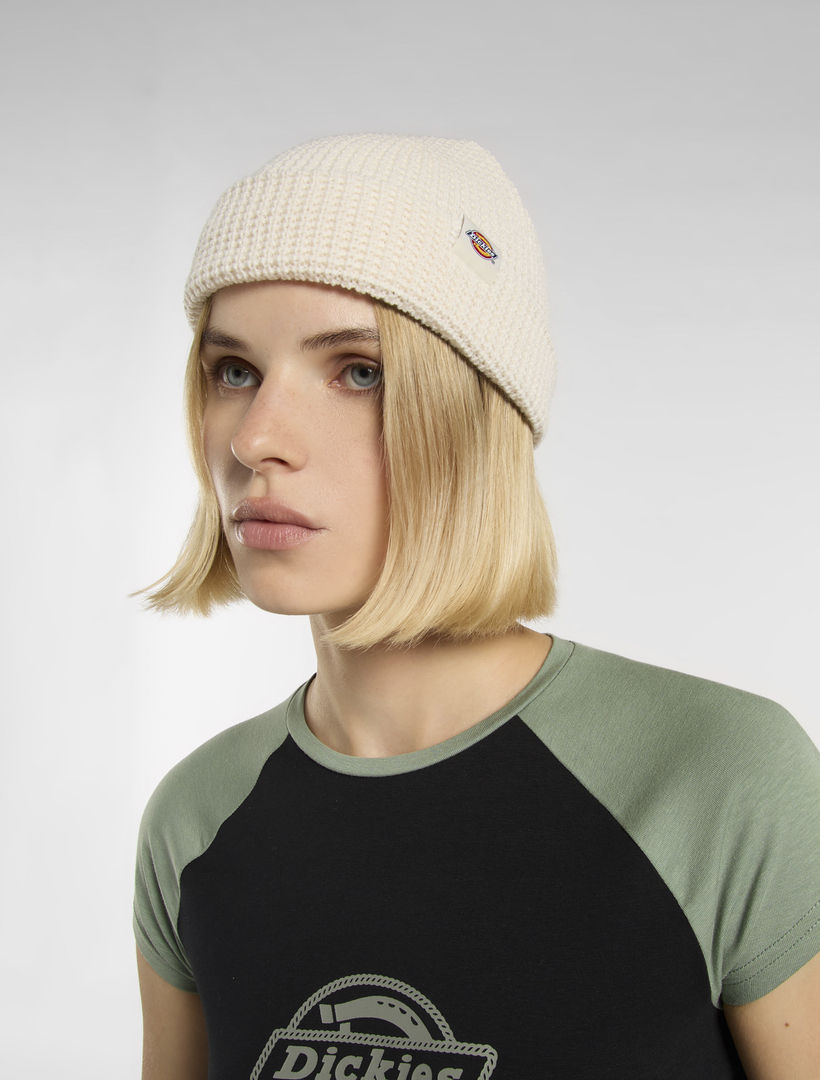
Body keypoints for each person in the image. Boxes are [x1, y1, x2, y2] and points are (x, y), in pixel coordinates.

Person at [134, 134, 820, 1080]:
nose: (256, 439)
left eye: (359, 371)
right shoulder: (198, 820)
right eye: (234, 371)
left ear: (476, 418)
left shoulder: (721, 775)